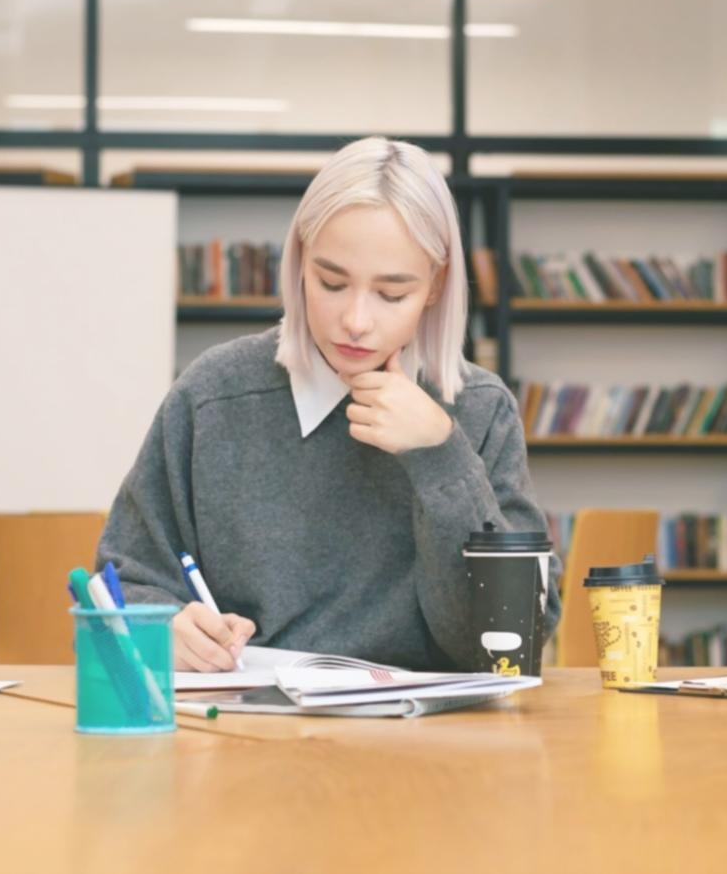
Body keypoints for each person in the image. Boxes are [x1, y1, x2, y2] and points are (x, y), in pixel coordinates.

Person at [97, 136, 561, 672]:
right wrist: (161, 627)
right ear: (299, 263)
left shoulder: (480, 409)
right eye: (332, 282)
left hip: (430, 742)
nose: (357, 321)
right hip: (246, 733)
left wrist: (442, 456)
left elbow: (515, 641)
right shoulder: (213, 396)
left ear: (435, 287)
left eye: (392, 294)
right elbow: (119, 588)